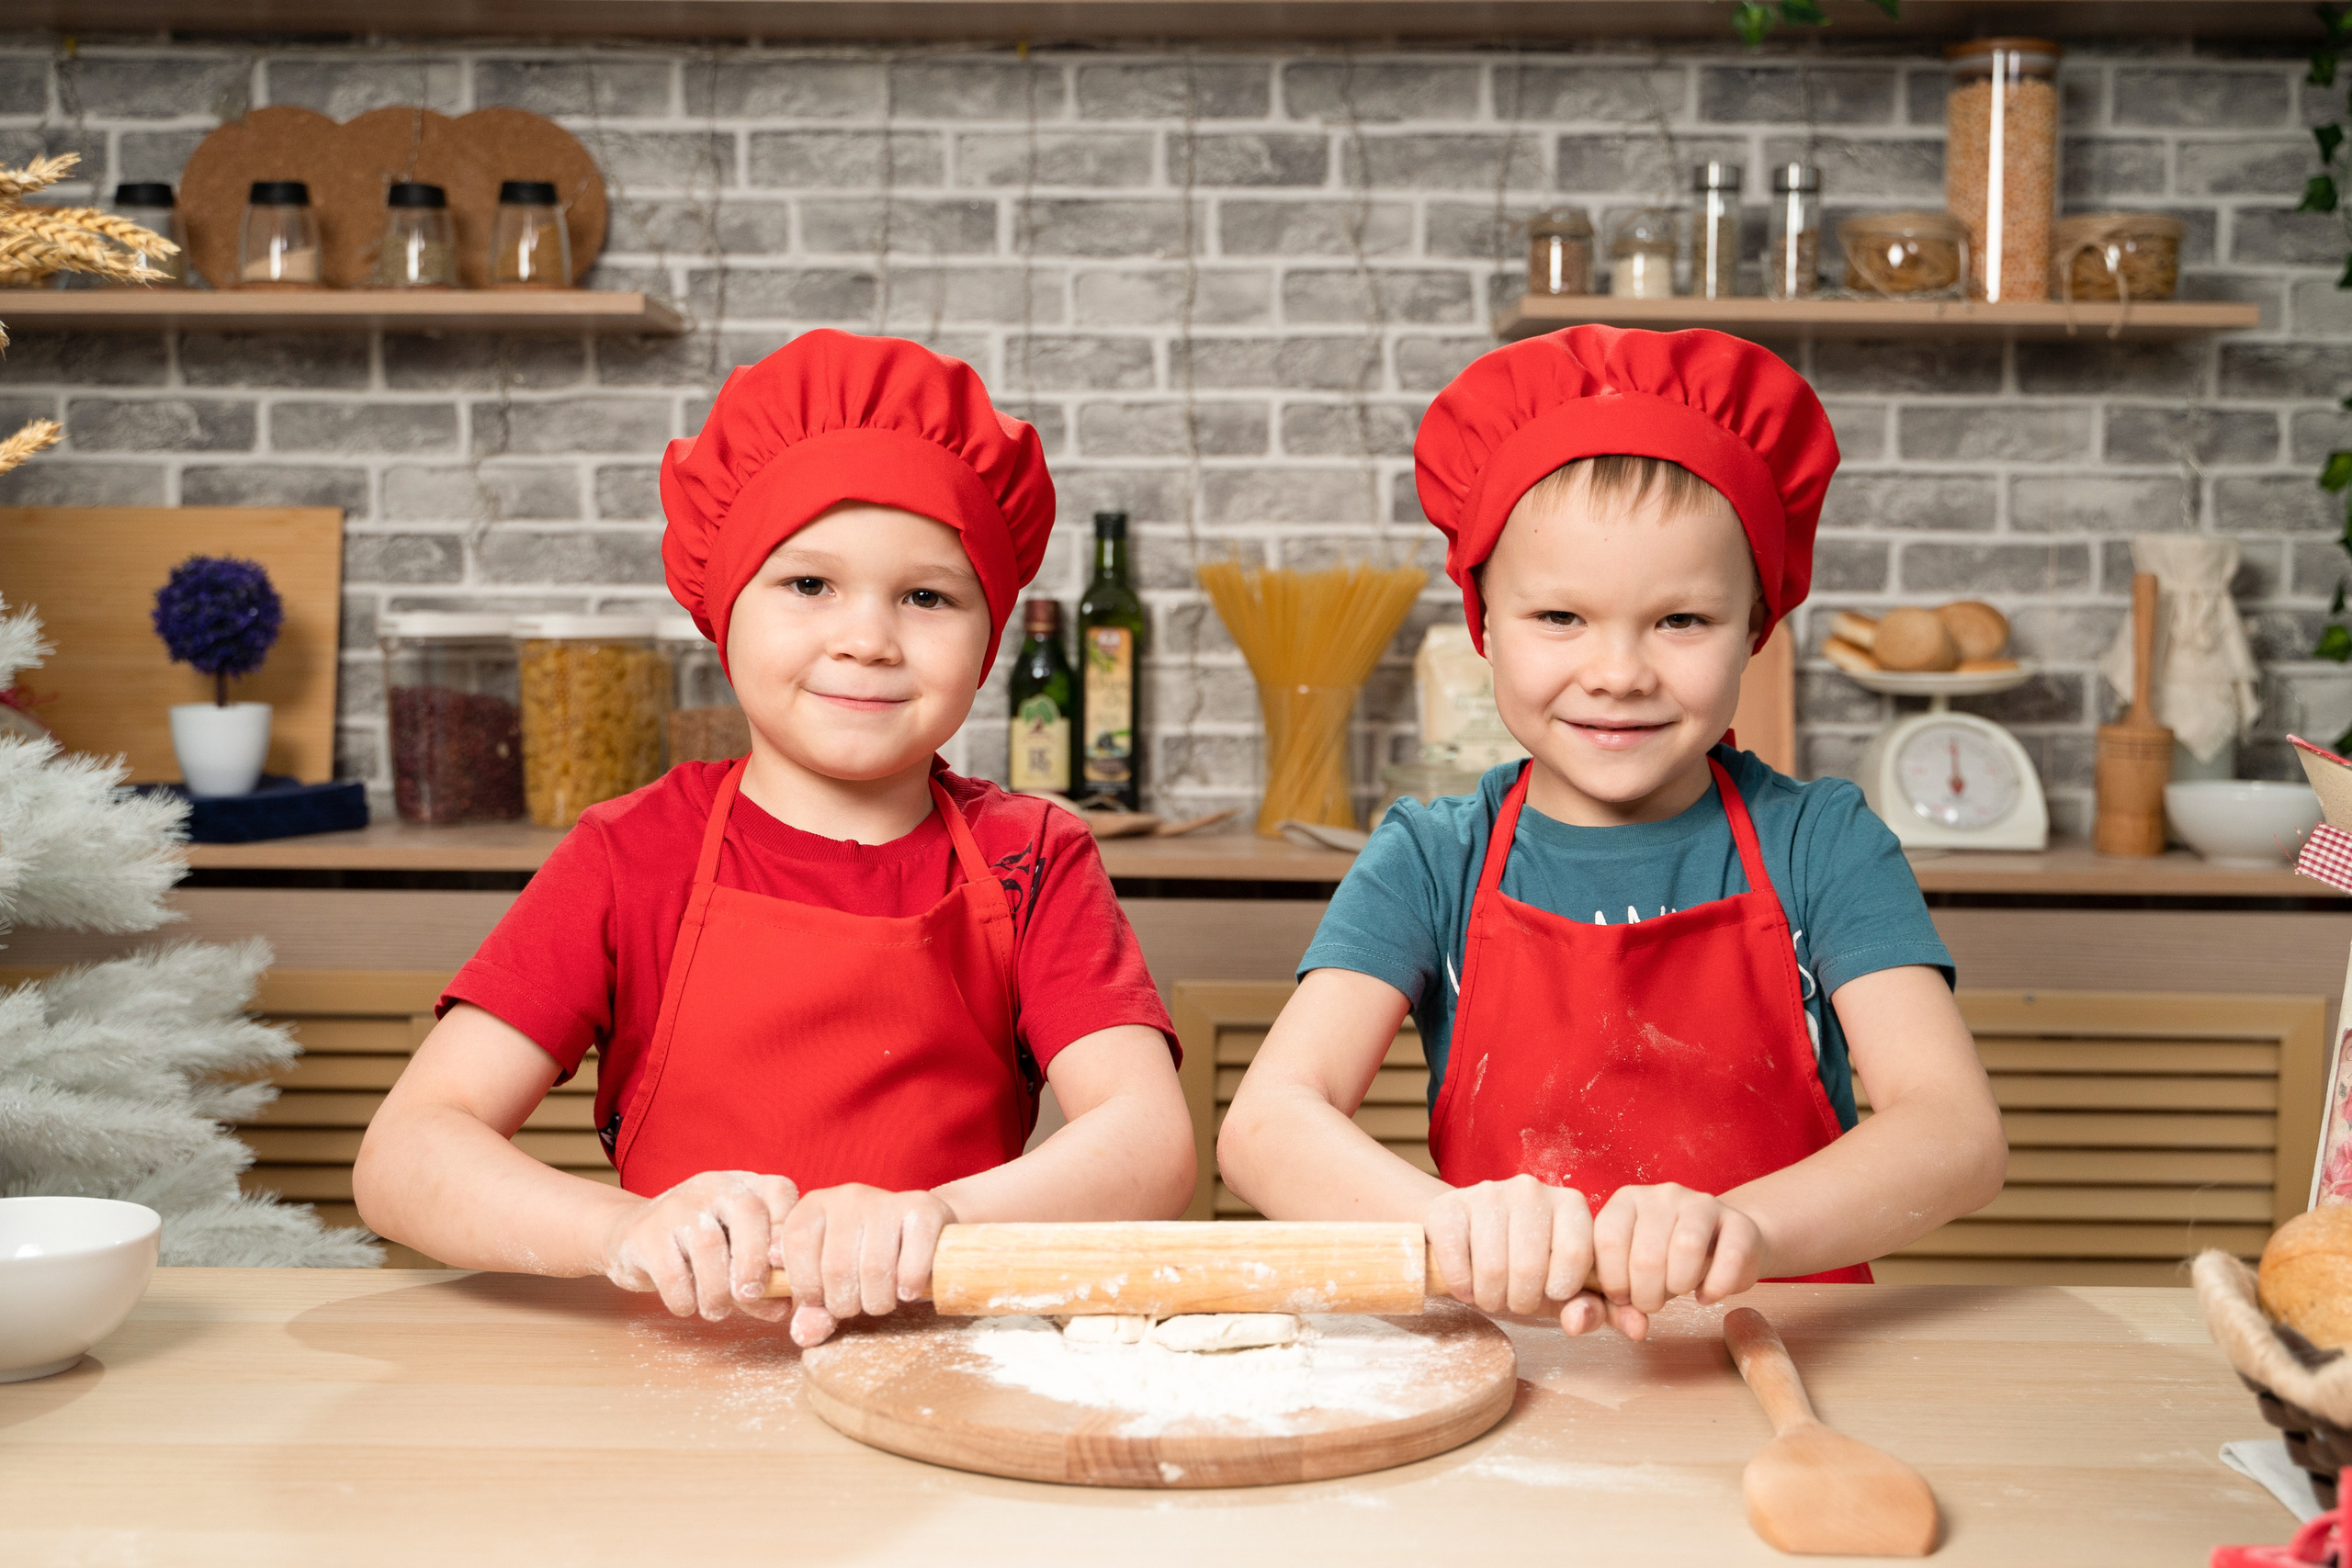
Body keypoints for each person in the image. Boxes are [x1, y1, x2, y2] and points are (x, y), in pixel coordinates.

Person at [356, 332, 1193, 1346]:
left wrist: (942, 1219)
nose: (867, 638)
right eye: (809, 586)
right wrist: (623, 1230)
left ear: (990, 640)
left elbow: (1149, 1139)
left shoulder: (1032, 856)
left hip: (948, 1360)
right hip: (670, 1375)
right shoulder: (632, 855)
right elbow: (405, 1155)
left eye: (926, 597)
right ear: (722, 607)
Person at [1216, 326, 2006, 1340]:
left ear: (1756, 628)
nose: (1619, 672)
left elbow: (1953, 1133)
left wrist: (1741, 1229)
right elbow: (1266, 1125)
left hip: (1779, 1357)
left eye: (1680, 621)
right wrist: (1451, 1228)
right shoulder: (1431, 859)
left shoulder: (1821, 843)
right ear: (1485, 624)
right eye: (1559, 618)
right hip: (1516, 1378)